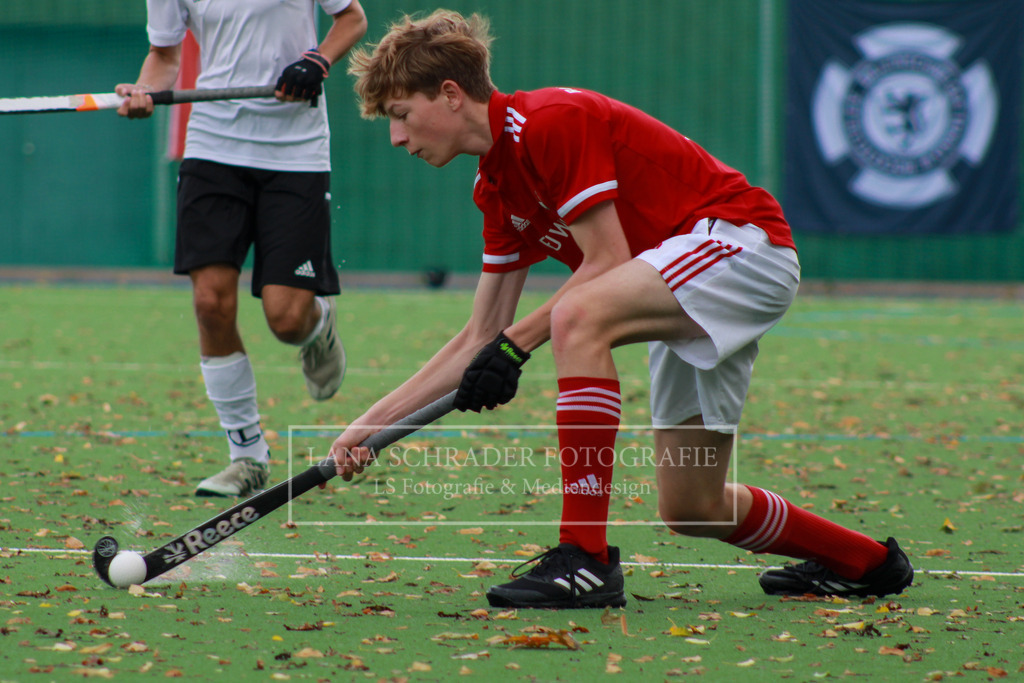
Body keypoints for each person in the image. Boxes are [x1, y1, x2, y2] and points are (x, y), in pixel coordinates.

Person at [330, 9, 914, 609]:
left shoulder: (551, 120)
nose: (397, 137)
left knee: (577, 317)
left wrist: (513, 346)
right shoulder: (496, 188)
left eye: (401, 114)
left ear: (451, 94)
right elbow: (480, 334)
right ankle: (867, 563)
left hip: (741, 244)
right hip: (682, 279)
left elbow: (607, 261)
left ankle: (584, 558)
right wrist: (369, 427)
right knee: (693, 505)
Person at [115, 1, 367, 497]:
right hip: (213, 145)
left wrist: (317, 60)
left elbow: (352, 18)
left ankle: (318, 323)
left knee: (287, 320)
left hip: (295, 151)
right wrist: (144, 89)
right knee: (210, 302)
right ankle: (247, 455)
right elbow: (164, 55)